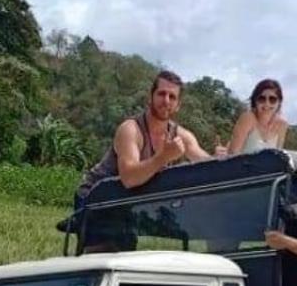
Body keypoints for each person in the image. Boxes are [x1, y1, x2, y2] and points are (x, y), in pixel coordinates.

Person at [76, 70, 213, 198]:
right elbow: (129, 179)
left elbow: (209, 165)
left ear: (178, 105)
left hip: (131, 200)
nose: (166, 100)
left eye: (172, 97)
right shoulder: (131, 130)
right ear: (150, 97)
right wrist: (163, 157)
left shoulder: (182, 136)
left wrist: (224, 157)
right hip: (93, 197)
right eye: (161, 94)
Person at [224, 79, 289, 156]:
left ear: (279, 102)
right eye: (262, 98)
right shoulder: (248, 118)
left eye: (272, 99)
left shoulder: (282, 125)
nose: (267, 104)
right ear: (255, 101)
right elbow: (232, 155)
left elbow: (278, 157)